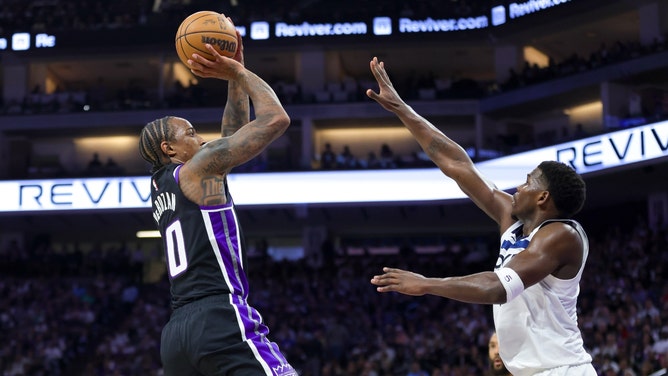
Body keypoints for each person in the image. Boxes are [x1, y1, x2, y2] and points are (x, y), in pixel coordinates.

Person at [367, 57, 596, 376]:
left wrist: (427, 284)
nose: (519, 186)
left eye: (529, 181)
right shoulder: (512, 220)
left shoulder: (563, 235)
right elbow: (458, 166)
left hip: (563, 369)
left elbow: (498, 287)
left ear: (543, 197)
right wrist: (402, 109)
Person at [138, 17, 297, 376]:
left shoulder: (164, 185)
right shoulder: (198, 170)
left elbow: (233, 136)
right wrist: (238, 71)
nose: (201, 139)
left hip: (177, 334)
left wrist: (233, 82)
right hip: (218, 315)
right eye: (190, 134)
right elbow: (275, 119)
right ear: (170, 147)